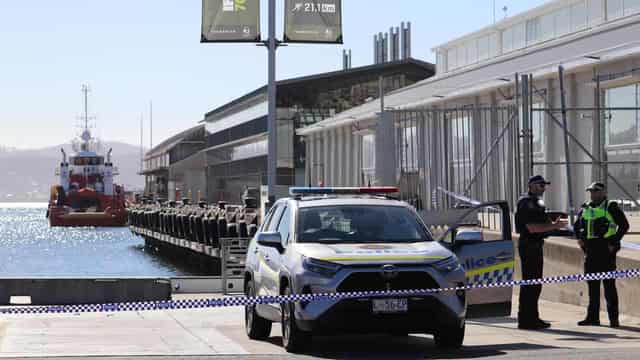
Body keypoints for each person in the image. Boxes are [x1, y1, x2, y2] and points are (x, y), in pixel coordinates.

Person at [515, 175, 568, 330]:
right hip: (529, 245)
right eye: (540, 185)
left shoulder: (536, 203)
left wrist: (553, 224)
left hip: (535, 245)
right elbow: (532, 228)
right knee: (530, 284)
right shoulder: (526, 203)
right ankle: (526, 320)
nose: (543, 188)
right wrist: (555, 226)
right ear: (530, 186)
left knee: (534, 284)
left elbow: (540, 224)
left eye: (544, 186)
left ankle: (532, 318)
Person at [573, 182, 629, 328]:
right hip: (590, 251)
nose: (593, 194)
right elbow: (577, 225)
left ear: (603, 192)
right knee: (592, 286)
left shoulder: (610, 206)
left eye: (596, 191)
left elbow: (624, 225)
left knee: (609, 286)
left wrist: (613, 242)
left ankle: (613, 320)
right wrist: (579, 238)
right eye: (591, 191)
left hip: (606, 250)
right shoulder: (586, 207)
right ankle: (592, 318)